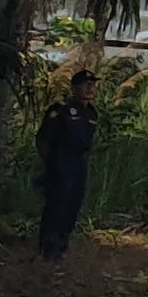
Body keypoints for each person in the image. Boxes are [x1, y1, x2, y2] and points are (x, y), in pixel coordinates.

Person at [34, 68, 101, 261]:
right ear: (74, 87)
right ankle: (47, 250)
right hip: (61, 162)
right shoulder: (61, 109)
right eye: (85, 85)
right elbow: (43, 140)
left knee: (72, 207)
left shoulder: (91, 113)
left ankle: (61, 249)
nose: (89, 88)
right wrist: (52, 163)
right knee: (57, 206)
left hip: (79, 163)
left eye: (92, 85)